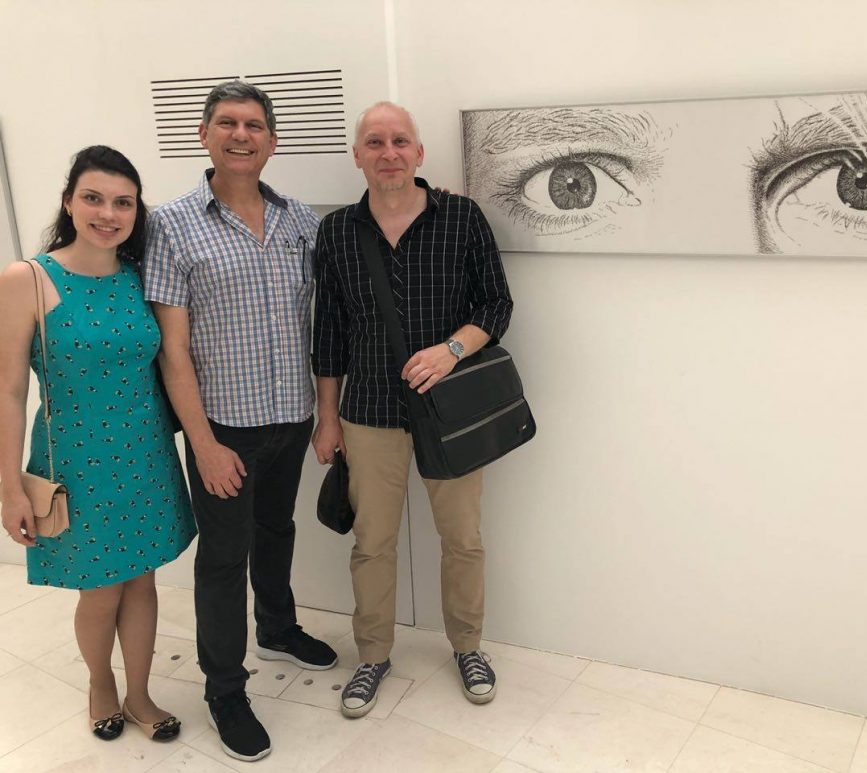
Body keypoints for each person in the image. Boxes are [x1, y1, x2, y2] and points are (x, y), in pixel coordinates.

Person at [143, 80, 336, 763]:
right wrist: (203, 444)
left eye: (254, 125)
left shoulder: (301, 221)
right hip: (223, 428)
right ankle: (225, 688)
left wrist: (326, 413)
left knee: (277, 529)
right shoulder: (171, 225)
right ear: (205, 135)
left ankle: (277, 627)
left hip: (291, 416)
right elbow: (173, 350)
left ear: (272, 141)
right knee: (224, 559)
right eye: (226, 123)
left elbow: (328, 319)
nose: (240, 135)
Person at [311, 102, 514, 718]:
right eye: (375, 142)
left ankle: (468, 646)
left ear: (419, 153)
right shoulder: (337, 231)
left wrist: (451, 351)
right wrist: (327, 417)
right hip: (367, 412)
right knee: (372, 543)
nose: (389, 152)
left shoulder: (461, 217)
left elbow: (496, 306)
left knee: (463, 539)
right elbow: (328, 333)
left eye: (400, 141)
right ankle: (373, 655)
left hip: (451, 412)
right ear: (358, 156)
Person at [0, 146, 196, 742]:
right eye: (93, 198)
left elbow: (171, 362)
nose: (108, 214)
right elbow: (9, 391)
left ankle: (140, 693)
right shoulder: (27, 279)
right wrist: (9, 488)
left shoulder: (140, 278)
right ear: (68, 202)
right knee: (101, 588)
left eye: (122, 203)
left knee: (142, 581)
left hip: (145, 453)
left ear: (136, 211)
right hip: (77, 463)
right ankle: (100, 683)